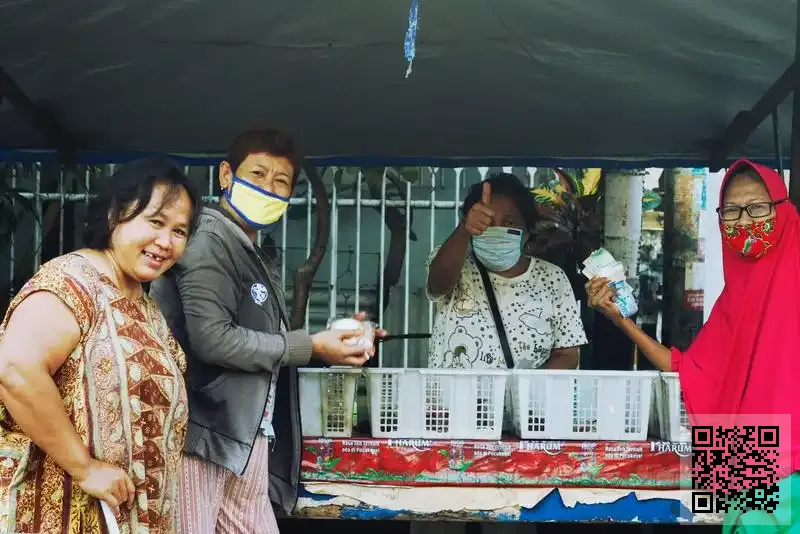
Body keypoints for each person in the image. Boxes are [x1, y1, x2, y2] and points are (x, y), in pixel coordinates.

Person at [150, 128, 382, 534]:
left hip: (244, 435)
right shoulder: (209, 238)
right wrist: (312, 346)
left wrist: (335, 340)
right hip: (201, 435)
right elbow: (213, 340)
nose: (267, 188)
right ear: (227, 175)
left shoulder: (246, 248)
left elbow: (263, 338)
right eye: (257, 174)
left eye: (281, 181)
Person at [585, 160, 800, 532]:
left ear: (782, 209)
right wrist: (619, 319)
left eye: (757, 207)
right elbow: (690, 371)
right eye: (731, 211)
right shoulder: (735, 299)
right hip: (750, 458)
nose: (744, 221)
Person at [0, 157, 201, 533]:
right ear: (114, 215)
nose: (165, 242)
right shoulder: (73, 281)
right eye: (155, 222)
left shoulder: (146, 308)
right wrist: (85, 467)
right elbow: (15, 369)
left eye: (179, 231)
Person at [426, 172, 587, 371]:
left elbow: (568, 354)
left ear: (527, 231)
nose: (497, 229)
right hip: (453, 392)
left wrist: (529, 387)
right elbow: (437, 286)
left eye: (509, 223)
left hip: (526, 392)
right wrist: (463, 229)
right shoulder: (454, 261)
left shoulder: (552, 278)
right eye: (486, 222)